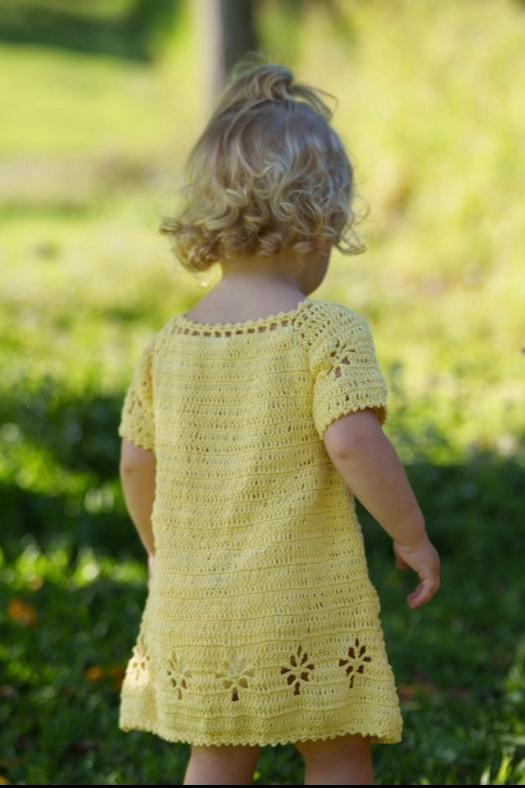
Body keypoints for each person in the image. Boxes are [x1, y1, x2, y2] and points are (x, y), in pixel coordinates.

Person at [117, 59, 440, 786]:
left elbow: (138, 465)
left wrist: (157, 552)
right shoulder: (323, 332)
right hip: (301, 600)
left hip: (196, 604)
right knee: (334, 743)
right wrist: (411, 536)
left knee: (218, 752)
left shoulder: (167, 346)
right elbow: (355, 442)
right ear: (323, 225)